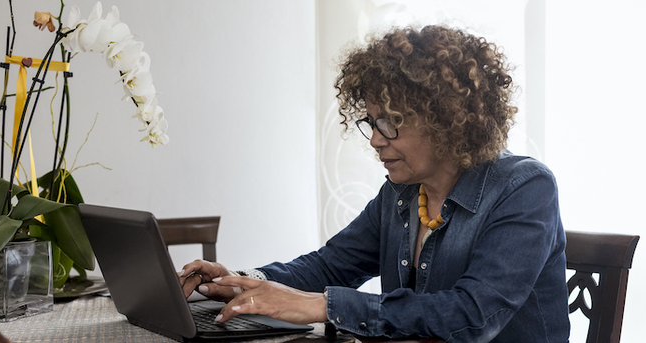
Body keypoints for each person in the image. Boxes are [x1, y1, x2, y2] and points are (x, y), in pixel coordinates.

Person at [179, 25, 570, 342]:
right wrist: (243, 282)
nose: (375, 139)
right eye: (372, 121)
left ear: (446, 120)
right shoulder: (401, 192)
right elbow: (330, 265)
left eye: (390, 123)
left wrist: (323, 306)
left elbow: (473, 315)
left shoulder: (524, 187)